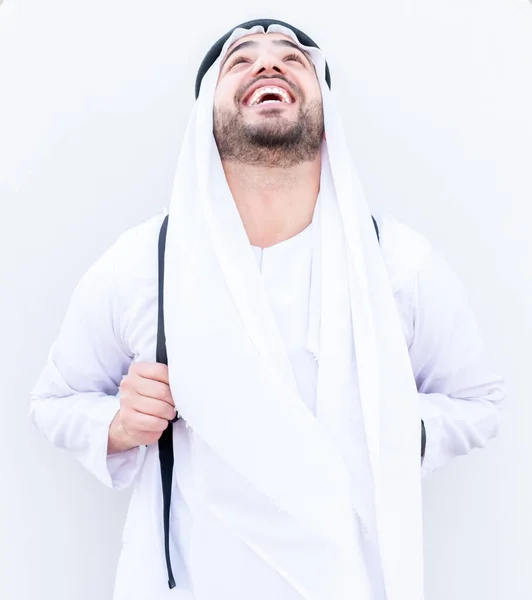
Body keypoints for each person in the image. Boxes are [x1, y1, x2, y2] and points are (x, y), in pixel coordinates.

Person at [30, 18, 505, 600]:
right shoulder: (139, 265)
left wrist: (397, 427)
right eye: (241, 60)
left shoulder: (399, 264)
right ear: (207, 114)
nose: (268, 65)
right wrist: (119, 426)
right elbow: (55, 403)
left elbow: (477, 403)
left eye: (291, 58)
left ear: (325, 107)